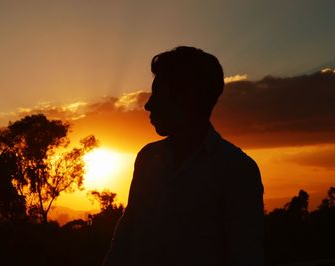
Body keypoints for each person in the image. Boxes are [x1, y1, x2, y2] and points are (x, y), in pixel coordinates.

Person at [103, 46, 264, 266]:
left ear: (185, 98)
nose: (148, 105)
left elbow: (245, 256)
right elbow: (123, 242)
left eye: (158, 93)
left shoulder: (237, 171)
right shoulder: (147, 158)